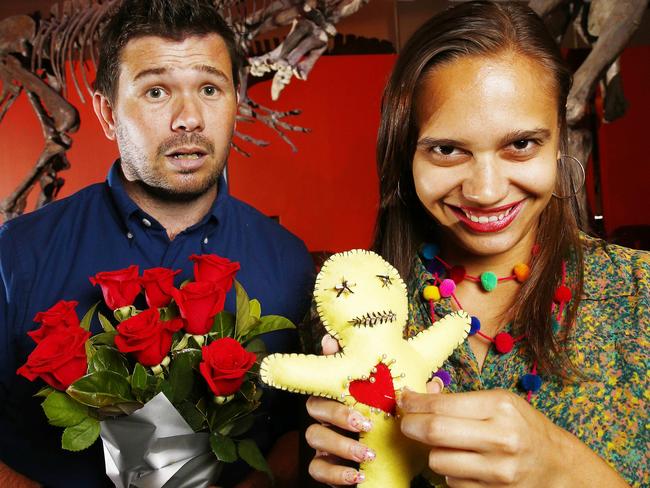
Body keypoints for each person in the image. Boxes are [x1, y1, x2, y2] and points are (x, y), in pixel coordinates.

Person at [304, 2, 648, 487]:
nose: (485, 191)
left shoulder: (641, 296)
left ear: (560, 143)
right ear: (407, 155)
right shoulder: (341, 314)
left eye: (522, 144)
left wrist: (565, 469)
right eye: (447, 150)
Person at [0, 0, 314, 486]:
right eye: (156, 91)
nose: (188, 118)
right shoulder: (16, 256)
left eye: (210, 88)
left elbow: (301, 428)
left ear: (237, 100)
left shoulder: (291, 264)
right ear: (107, 113)